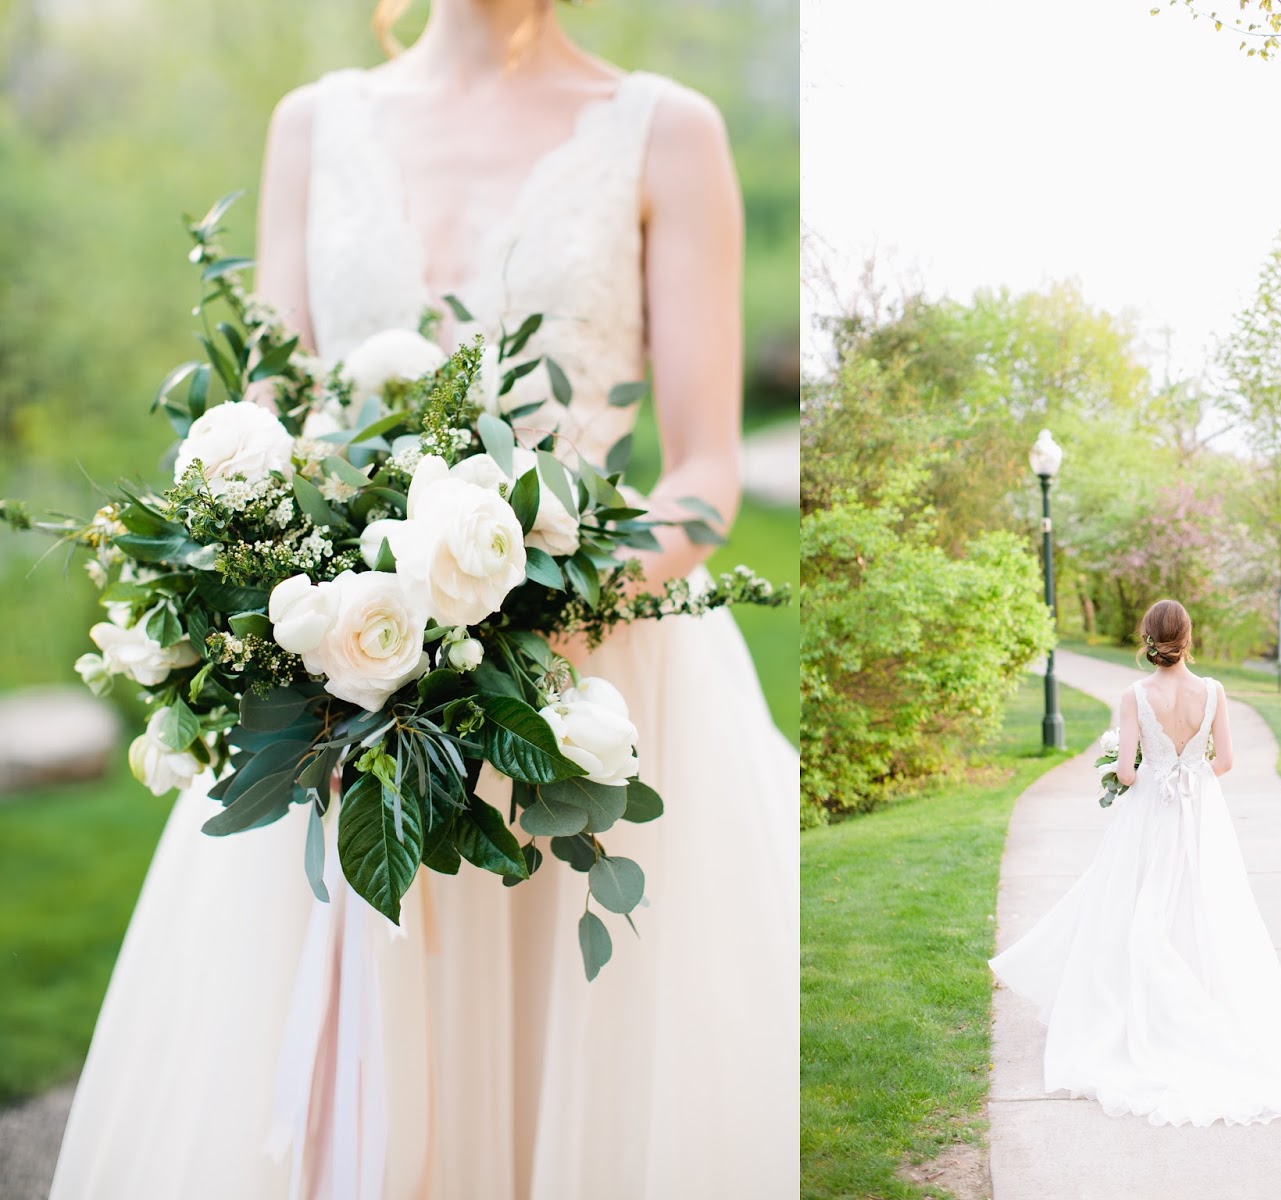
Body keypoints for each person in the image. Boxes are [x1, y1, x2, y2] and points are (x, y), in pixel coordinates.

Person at [49, 2, 798, 1196]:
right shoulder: (311, 125)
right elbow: (281, 424)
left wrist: (547, 610)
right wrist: (287, 596)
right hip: (344, 669)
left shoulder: (670, 130)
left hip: (581, 670)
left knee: (580, 1066)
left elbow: (707, 475)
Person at [988, 598, 1281, 1127]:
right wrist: (1189, 777)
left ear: (1147, 638)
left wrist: (1144, 769)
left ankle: (1136, 1015)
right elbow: (1227, 761)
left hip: (1149, 815)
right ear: (1188, 637)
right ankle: (1208, 1006)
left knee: (1132, 903)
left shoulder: (1135, 695)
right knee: (1206, 906)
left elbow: (1125, 772)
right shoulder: (1214, 692)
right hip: (1200, 815)